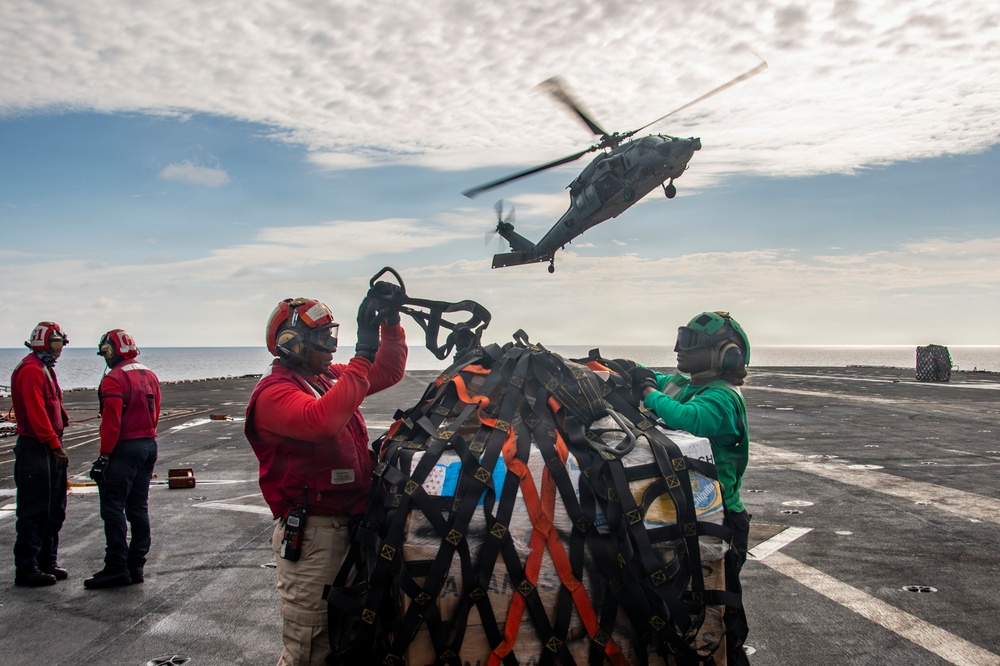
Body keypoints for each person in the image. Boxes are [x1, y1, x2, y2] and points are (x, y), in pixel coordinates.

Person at [245, 288, 407, 666]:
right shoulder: (274, 394)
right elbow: (322, 422)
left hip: (351, 527)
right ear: (290, 345)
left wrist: (389, 324)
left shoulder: (323, 379)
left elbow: (386, 371)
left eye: (333, 336)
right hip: (315, 537)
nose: (332, 348)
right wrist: (362, 352)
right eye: (322, 339)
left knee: (355, 640)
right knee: (312, 648)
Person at [628, 311, 752, 665]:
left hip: (723, 516)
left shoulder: (724, 398)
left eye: (691, 343)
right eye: (681, 339)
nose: (679, 349)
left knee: (718, 606)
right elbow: (660, 380)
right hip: (692, 512)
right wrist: (627, 369)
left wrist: (649, 392)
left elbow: (689, 419)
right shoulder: (686, 386)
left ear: (726, 354)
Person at [85, 329, 161, 589]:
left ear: (110, 350)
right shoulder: (149, 374)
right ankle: (136, 565)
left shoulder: (113, 380)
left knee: (113, 507)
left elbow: (111, 421)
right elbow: (156, 412)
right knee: (138, 507)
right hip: (149, 444)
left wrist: (104, 455)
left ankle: (116, 566)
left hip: (124, 447)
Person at [10, 321, 71, 587]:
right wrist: (54, 445)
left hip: (48, 443)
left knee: (54, 507)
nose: (60, 349)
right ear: (47, 343)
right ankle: (27, 567)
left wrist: (62, 424)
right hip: (36, 446)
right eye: (57, 343)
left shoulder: (44, 369)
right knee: (34, 508)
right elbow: (36, 413)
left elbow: (54, 402)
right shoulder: (31, 370)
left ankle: (47, 560)